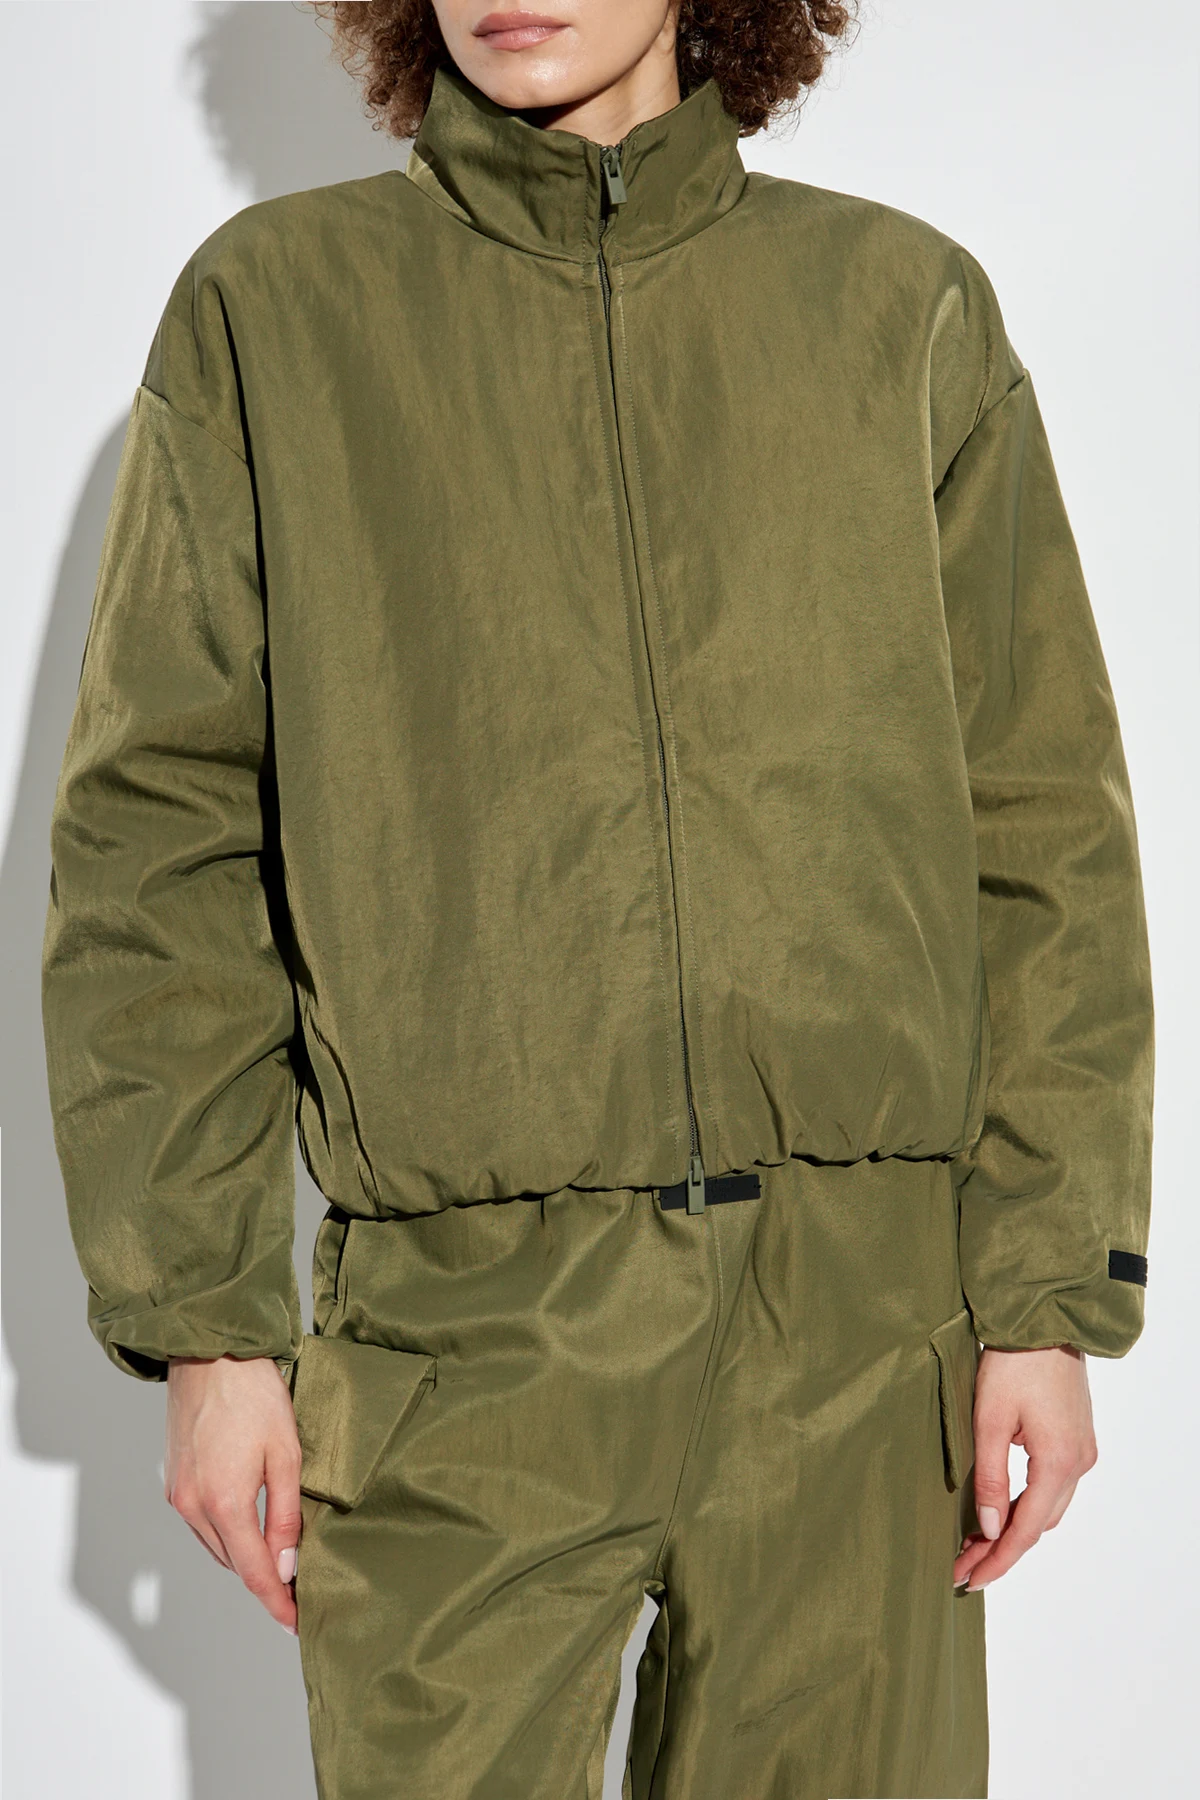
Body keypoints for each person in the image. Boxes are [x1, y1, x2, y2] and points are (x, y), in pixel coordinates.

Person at [41, 2, 1153, 1795]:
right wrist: (206, 1329)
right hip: (463, 1340)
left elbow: (1043, 825)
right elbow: (157, 843)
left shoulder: (901, 310)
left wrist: (1042, 1290)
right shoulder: (276, 313)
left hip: (859, 1338)